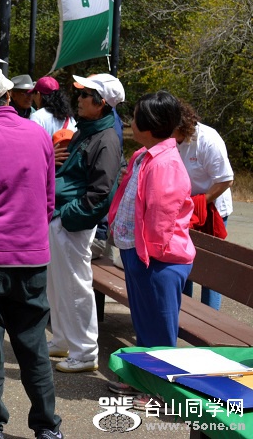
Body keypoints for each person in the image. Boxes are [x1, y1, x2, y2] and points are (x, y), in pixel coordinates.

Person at [0, 65, 62, 439]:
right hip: (32, 256)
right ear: (8, 94)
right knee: (34, 347)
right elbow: (49, 199)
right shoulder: (38, 133)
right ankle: (47, 426)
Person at [108, 91, 195, 407]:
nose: (130, 122)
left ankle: (161, 391)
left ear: (148, 125)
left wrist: (149, 254)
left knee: (159, 330)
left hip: (158, 259)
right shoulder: (145, 155)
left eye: (135, 118)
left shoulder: (165, 163)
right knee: (144, 324)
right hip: (140, 253)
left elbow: (161, 216)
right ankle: (141, 378)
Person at [47, 74, 124, 373]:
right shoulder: (89, 131)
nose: (77, 99)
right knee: (58, 284)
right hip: (63, 218)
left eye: (84, 95)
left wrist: (68, 217)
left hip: (72, 223)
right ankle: (64, 340)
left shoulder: (106, 140)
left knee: (75, 286)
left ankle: (85, 351)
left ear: (101, 102)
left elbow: (101, 194)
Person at [174, 100, 233, 310]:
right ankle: (185, 314)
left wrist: (199, 202)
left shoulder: (207, 139)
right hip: (184, 210)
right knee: (184, 263)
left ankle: (210, 315)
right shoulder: (168, 140)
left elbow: (225, 179)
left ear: (179, 125)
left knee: (210, 272)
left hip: (212, 208)